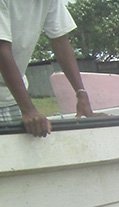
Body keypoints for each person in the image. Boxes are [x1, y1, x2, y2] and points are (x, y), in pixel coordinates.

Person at [0, 0, 94, 137]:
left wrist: (81, 94)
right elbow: (2, 51)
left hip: (11, 97)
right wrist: (29, 110)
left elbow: (60, 40)